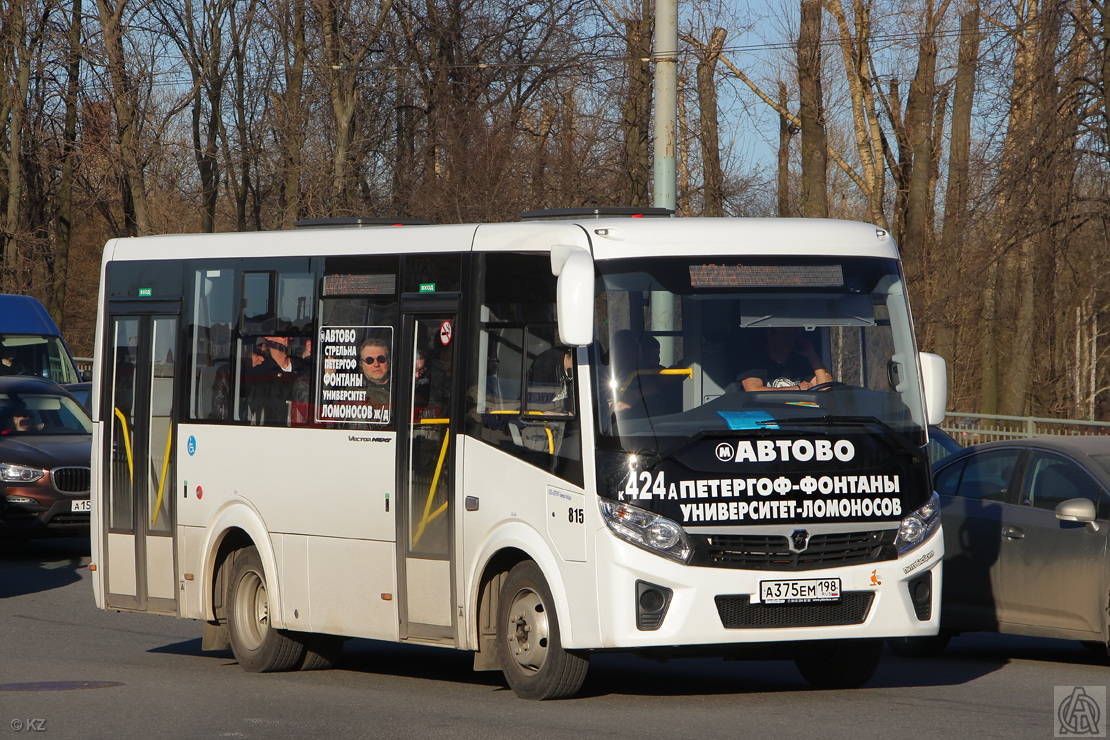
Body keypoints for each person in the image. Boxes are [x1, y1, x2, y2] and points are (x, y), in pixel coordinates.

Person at [738, 327, 833, 391]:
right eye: (784, 334)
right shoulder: (755, 363)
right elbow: (753, 390)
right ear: (770, 334)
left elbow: (826, 388)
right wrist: (796, 389)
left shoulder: (801, 364)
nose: (788, 339)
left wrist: (812, 355)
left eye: (792, 334)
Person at [359, 337, 392, 422]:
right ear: (361, 365)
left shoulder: (404, 387)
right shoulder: (354, 392)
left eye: (381, 359)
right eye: (369, 360)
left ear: (388, 362)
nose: (376, 364)